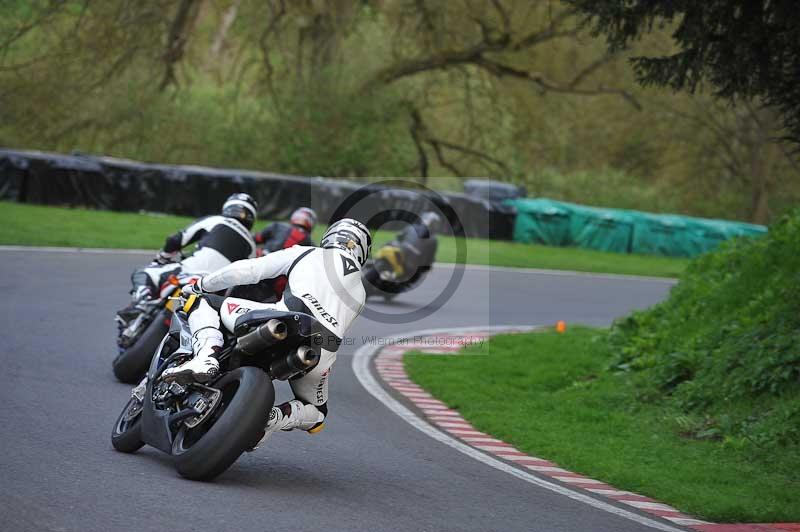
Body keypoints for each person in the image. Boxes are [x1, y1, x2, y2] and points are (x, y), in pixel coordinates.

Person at [163, 218, 371, 441]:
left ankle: (207, 357)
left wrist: (200, 285)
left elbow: (248, 270)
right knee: (318, 414)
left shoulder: (308, 252)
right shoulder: (361, 292)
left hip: (284, 319)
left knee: (201, 301)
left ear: (330, 236)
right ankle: (272, 418)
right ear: (362, 251)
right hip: (319, 353)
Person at [119, 193, 258, 322]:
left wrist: (162, 258)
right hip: (216, 292)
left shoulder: (216, 220)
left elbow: (175, 240)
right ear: (251, 217)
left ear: (228, 208)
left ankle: (140, 304)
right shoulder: (252, 247)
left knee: (145, 272)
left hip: (190, 272)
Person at [376, 211, 440, 282]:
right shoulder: (433, 239)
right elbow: (430, 258)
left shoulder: (412, 227)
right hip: (408, 262)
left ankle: (385, 270)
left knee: (388, 245)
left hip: (401, 256)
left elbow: (399, 236)